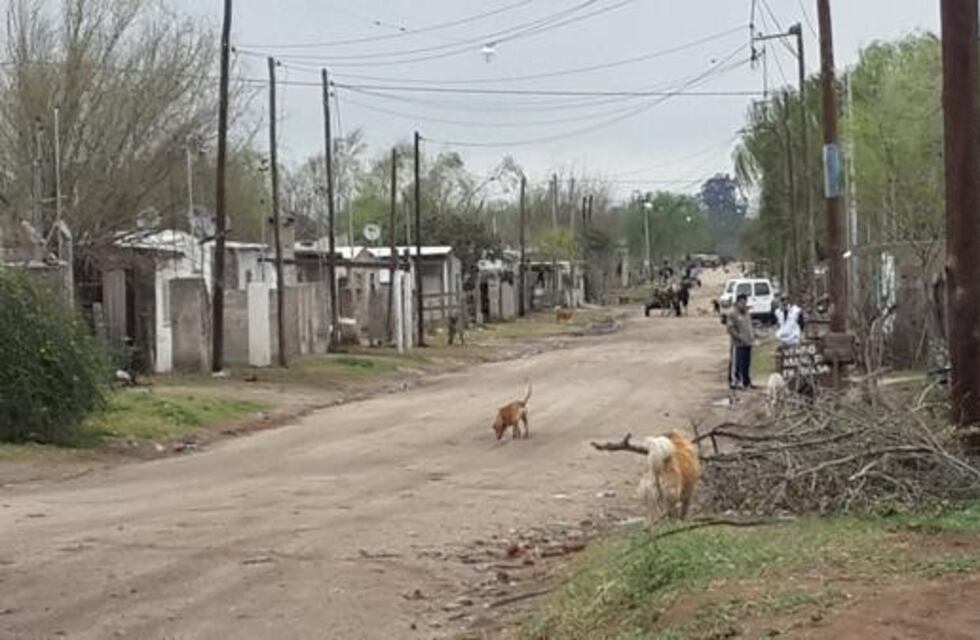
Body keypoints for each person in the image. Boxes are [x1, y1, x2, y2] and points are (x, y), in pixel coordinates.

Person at [727, 293, 755, 390]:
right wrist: (739, 337)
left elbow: (749, 326)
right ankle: (735, 381)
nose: (743, 305)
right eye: (742, 303)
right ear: (737, 302)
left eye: (745, 302)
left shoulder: (746, 313)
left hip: (747, 342)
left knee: (746, 363)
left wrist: (752, 337)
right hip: (738, 344)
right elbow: (730, 328)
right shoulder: (732, 313)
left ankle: (746, 381)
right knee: (737, 362)